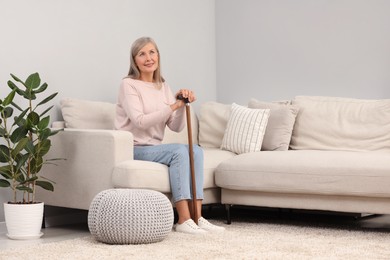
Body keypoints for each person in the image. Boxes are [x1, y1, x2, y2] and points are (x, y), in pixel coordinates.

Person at [115, 37, 225, 234]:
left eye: (152, 52)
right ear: (134, 60)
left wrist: (182, 105)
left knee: (196, 151)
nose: (148, 58)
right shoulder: (129, 85)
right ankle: (183, 219)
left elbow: (176, 126)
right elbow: (140, 121)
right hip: (134, 148)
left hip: (154, 149)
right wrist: (173, 105)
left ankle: (197, 217)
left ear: (158, 56)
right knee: (179, 152)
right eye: (142, 54)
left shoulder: (163, 86)